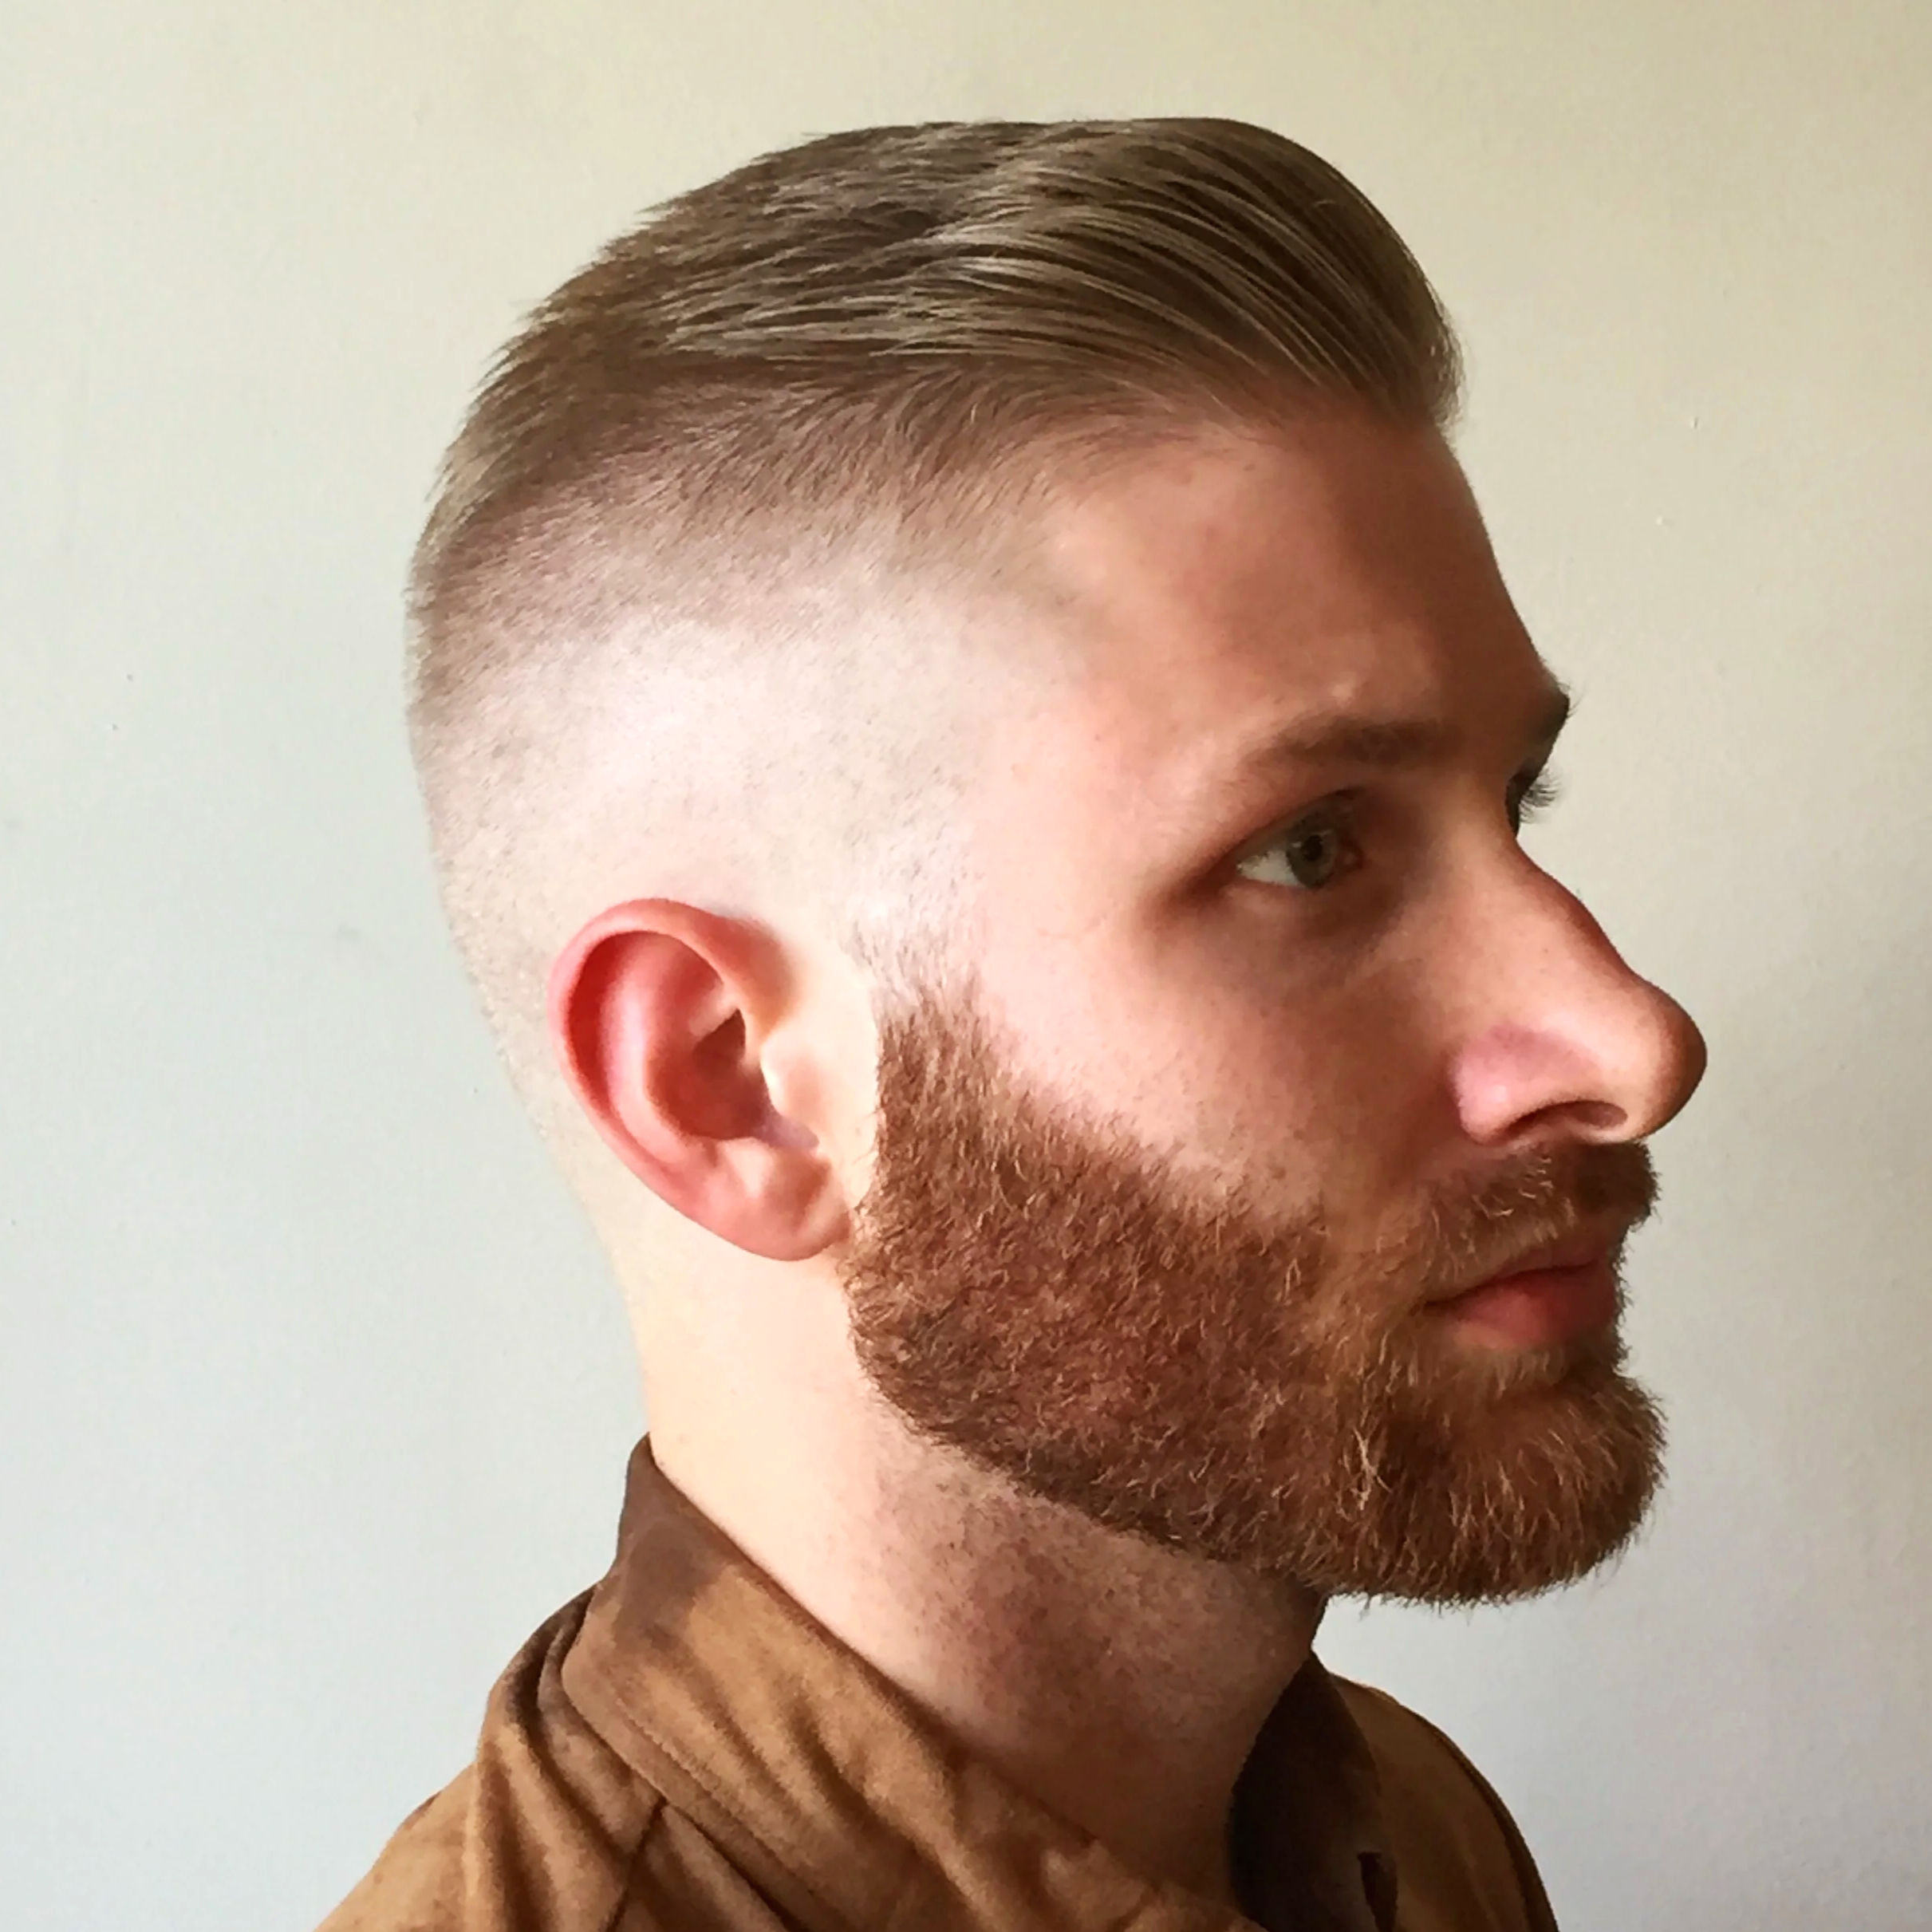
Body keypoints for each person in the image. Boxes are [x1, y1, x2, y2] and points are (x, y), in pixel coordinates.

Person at [321, 118, 1706, 1932]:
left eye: (1511, 804)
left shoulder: (1405, 1831)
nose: (1630, 1039)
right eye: (1306, 849)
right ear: (732, 1085)